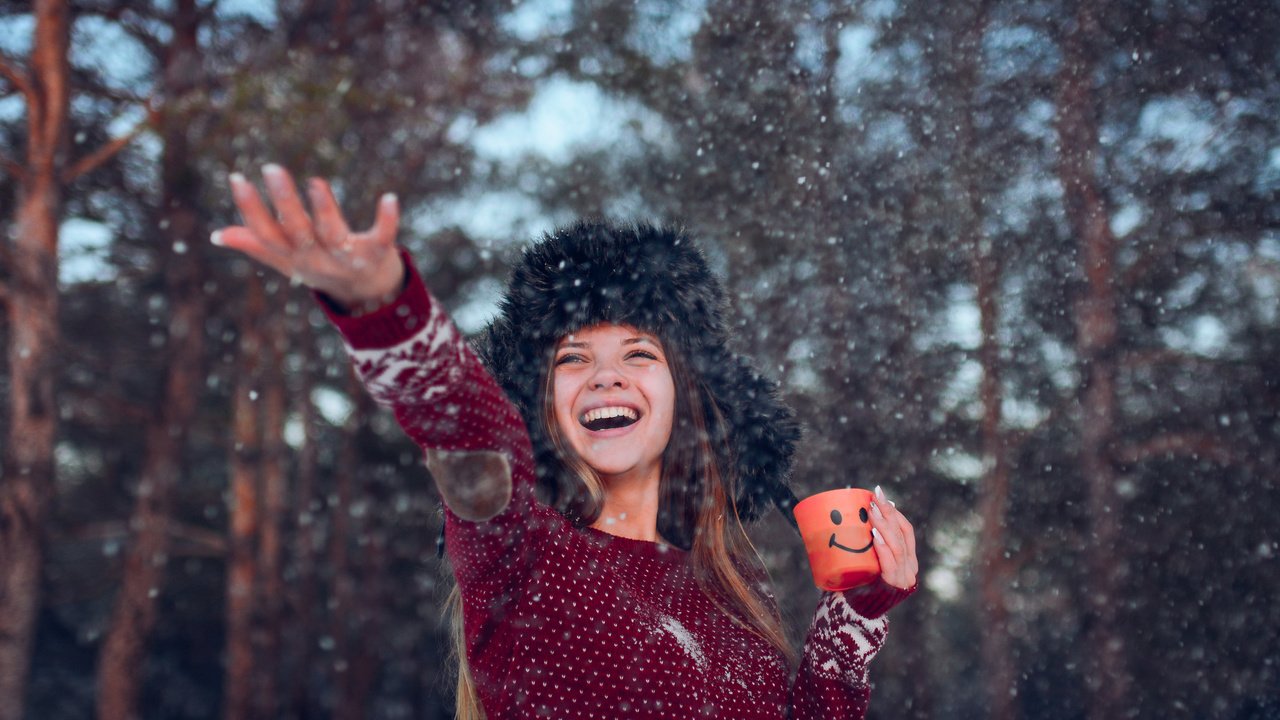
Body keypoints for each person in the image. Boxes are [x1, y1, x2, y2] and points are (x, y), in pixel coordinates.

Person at [214, 165, 919, 719]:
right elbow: (469, 433)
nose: (605, 375)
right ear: (541, 406)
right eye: (572, 358)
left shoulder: (732, 582)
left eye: (639, 353)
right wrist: (386, 310)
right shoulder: (518, 551)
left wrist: (853, 619)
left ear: (684, 397)